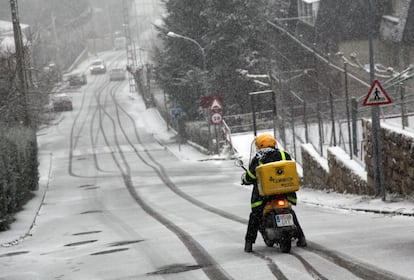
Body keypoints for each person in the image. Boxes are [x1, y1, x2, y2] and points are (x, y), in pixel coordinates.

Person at [242, 133, 307, 253]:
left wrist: (244, 180)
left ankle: (249, 243)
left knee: (255, 216)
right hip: (285, 191)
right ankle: (301, 238)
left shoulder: (258, 158)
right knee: (291, 212)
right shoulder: (284, 154)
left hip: (264, 195)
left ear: (259, 145)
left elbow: (250, 176)